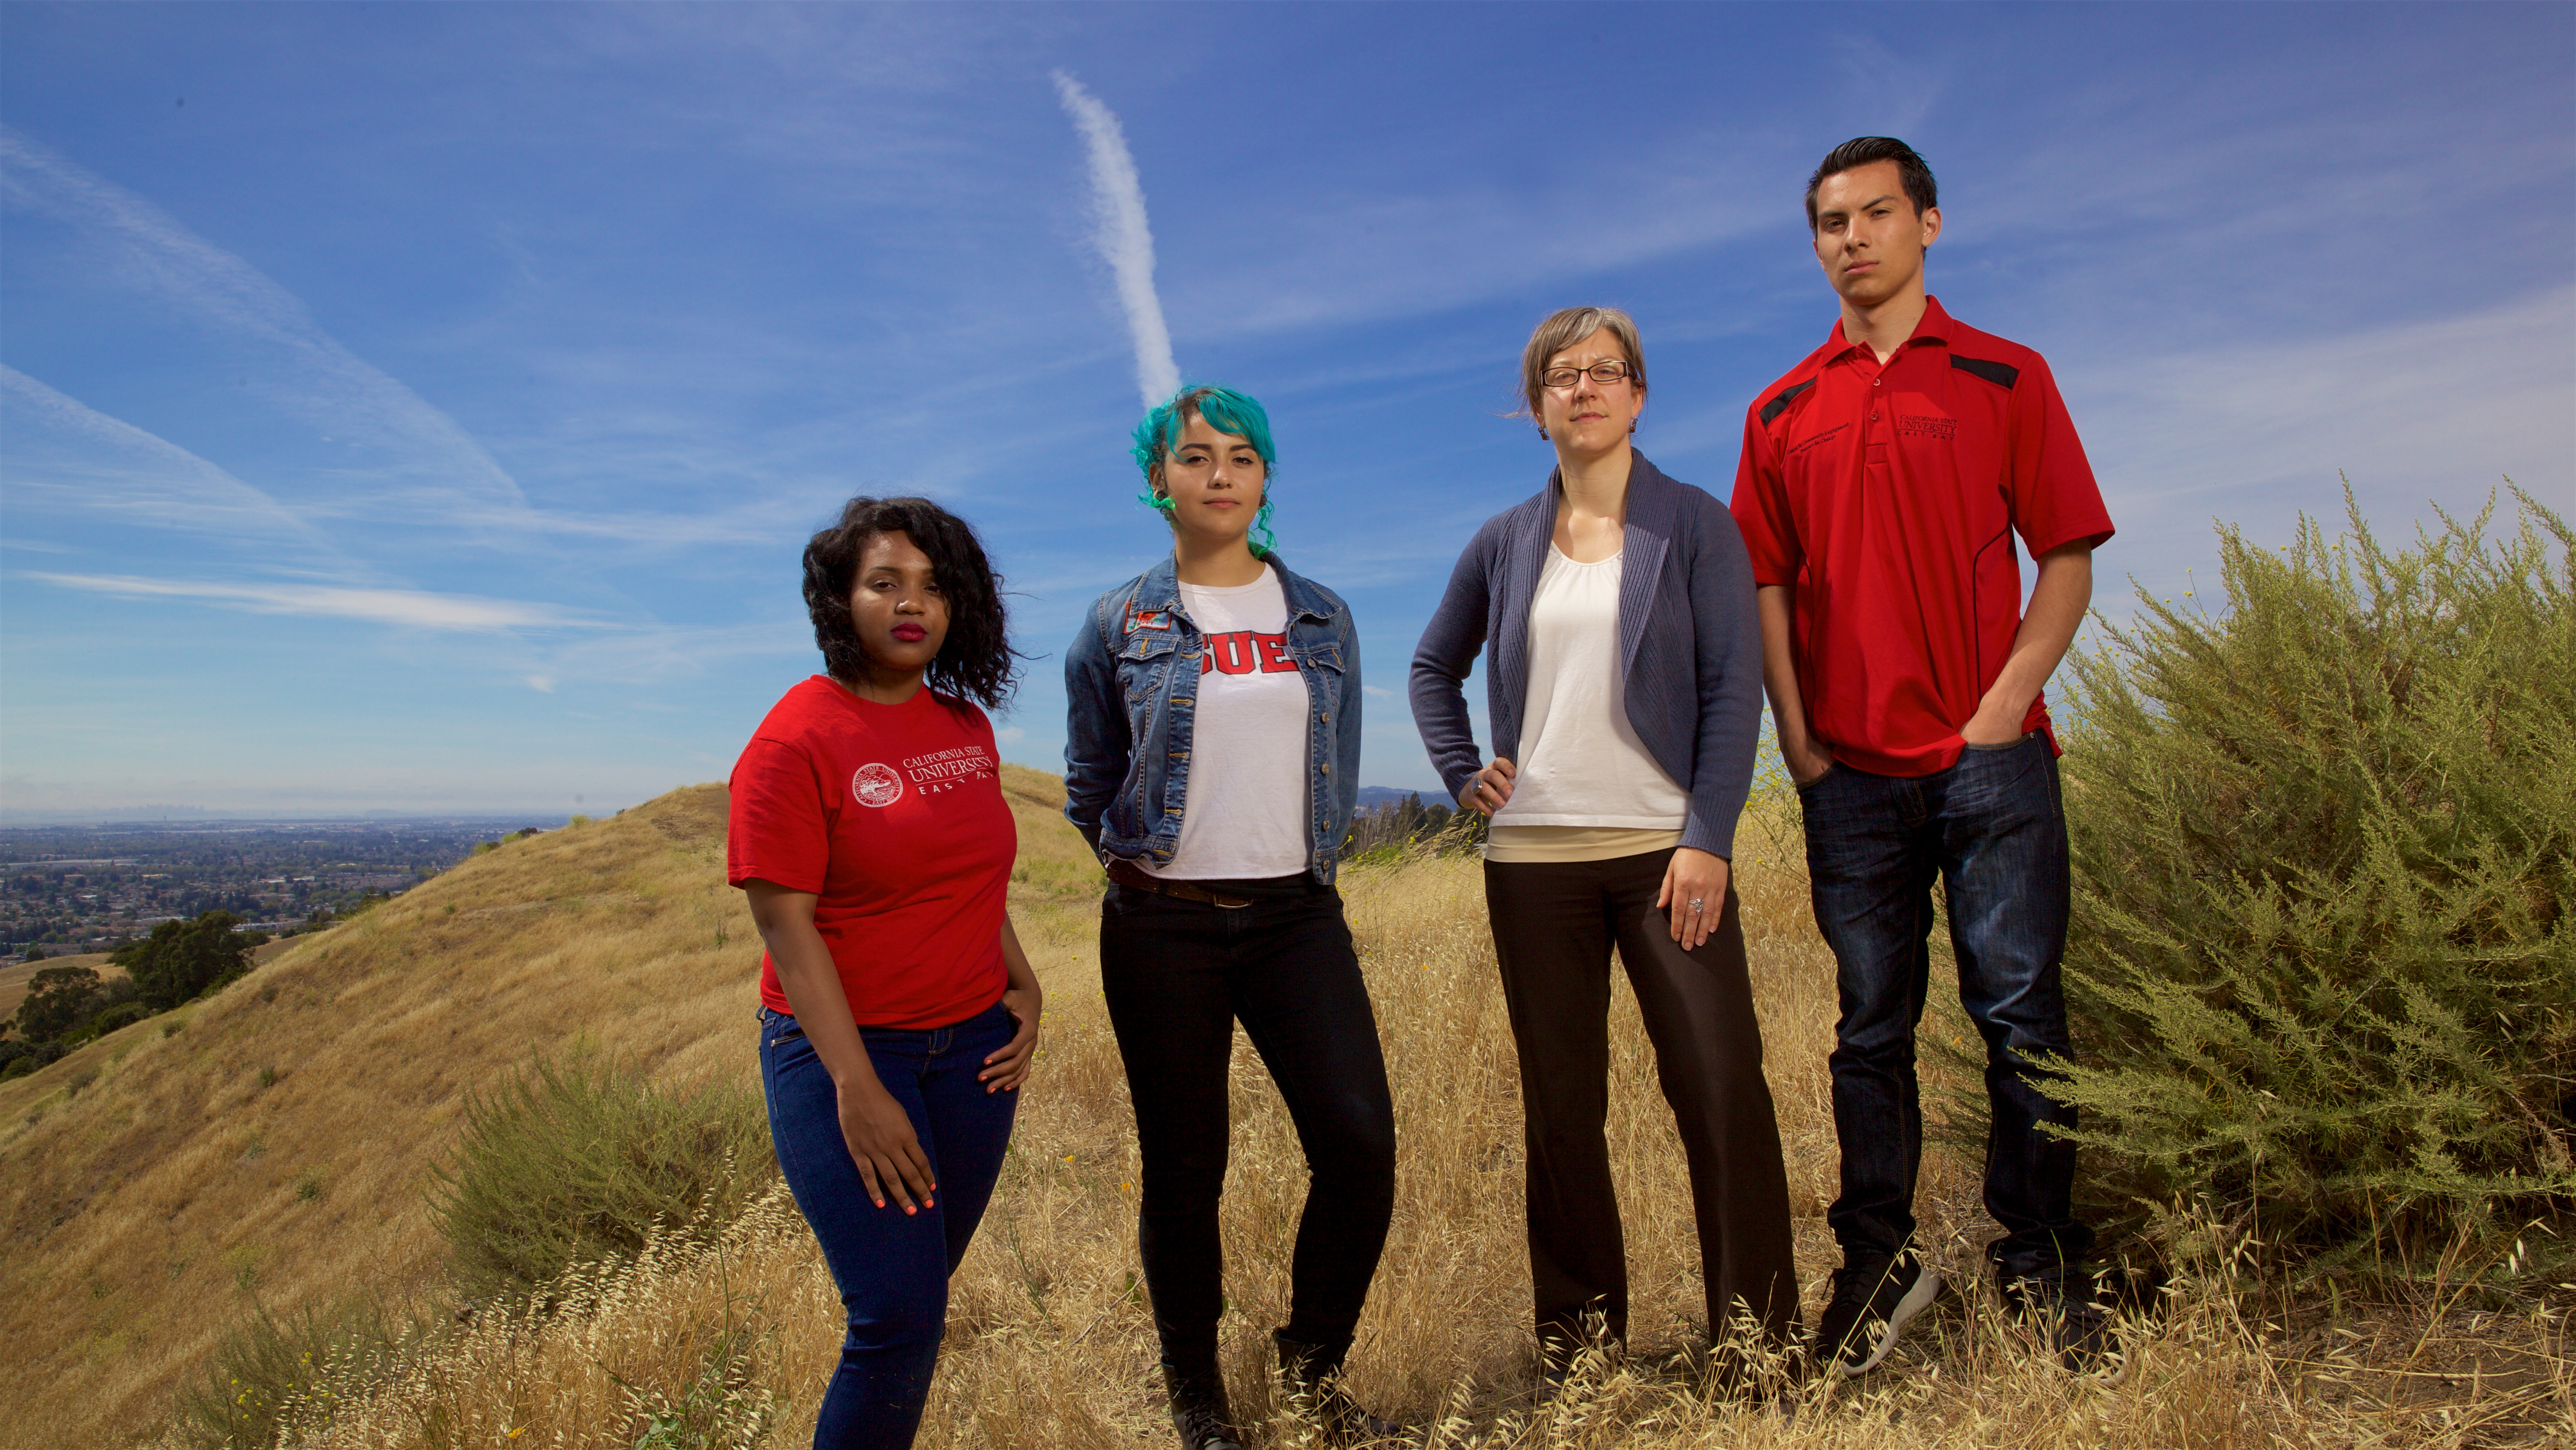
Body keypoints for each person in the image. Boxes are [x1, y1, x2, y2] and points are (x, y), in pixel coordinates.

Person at [1728, 137, 2118, 1376]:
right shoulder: (1781, 410)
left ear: (1929, 225)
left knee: (2020, 1016)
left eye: (1877, 214)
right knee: (1868, 1032)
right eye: (1832, 222)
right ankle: (1879, 1264)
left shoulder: (2006, 375)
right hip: (1851, 775)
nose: (1854, 238)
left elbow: (2065, 551)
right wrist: (1797, 740)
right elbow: (1768, 587)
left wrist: (2008, 701)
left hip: (1991, 762)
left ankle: (2042, 1259)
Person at [1410, 308, 1799, 1386]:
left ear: (1638, 395)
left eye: (1606, 372)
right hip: (1532, 868)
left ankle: (1759, 1349)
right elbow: (1431, 668)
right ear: (1537, 409)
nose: (1584, 389)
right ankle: (1581, 1358)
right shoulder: (1502, 541)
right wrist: (1459, 771)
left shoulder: (1696, 526)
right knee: (1563, 1111)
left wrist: (1709, 839)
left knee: (1721, 1086)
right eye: (1561, 376)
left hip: (1664, 856)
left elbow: (1735, 691)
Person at [1063, 385, 1398, 1450]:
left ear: (1265, 480)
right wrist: (1151, 866)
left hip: (1297, 919)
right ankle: (1198, 1400)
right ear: (1157, 479)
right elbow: (1090, 779)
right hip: (1161, 928)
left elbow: (1334, 766)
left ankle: (1312, 1366)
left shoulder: (1323, 616)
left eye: (1243, 457)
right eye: (1196, 456)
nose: (1220, 474)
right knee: (1185, 1162)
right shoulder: (1119, 620)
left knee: (1359, 1146)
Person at [728, 496, 1044, 1449]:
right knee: (895, 1320)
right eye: (886, 583)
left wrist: (1023, 983)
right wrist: (856, 1088)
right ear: (840, 599)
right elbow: (787, 927)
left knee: (918, 1305)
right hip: (850, 1059)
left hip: (974, 1059)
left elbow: (972, 879)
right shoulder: (794, 742)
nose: (914, 605)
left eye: (935, 587)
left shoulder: (964, 724)